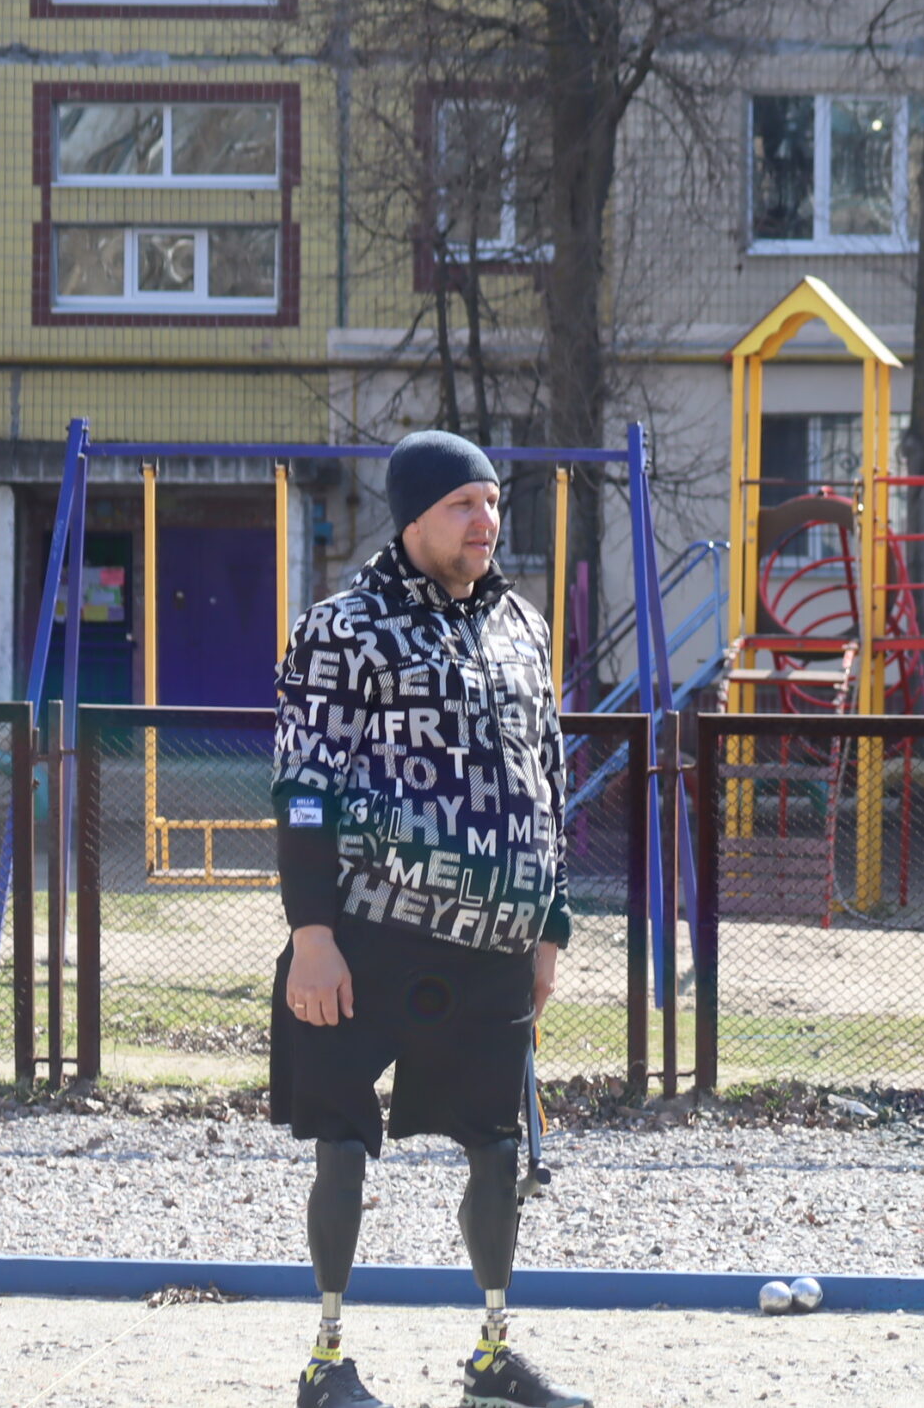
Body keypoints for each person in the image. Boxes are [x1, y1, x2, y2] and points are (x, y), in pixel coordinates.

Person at [269, 430, 589, 1408]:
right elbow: (305, 790)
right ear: (413, 516)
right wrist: (312, 934)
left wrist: (549, 925)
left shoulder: (522, 627)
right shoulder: (344, 628)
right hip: (369, 937)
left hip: (495, 948)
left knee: (497, 1145)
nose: (486, 520)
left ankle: (492, 1355)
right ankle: (326, 1360)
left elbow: (549, 776)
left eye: (492, 501)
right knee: (341, 1140)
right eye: (463, 504)